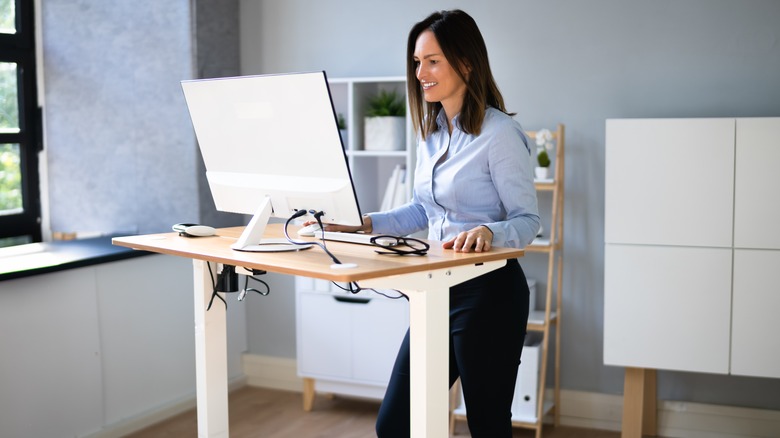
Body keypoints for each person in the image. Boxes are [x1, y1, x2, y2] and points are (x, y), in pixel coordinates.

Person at [317, 9, 540, 437]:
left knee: (488, 425)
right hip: (436, 291)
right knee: (394, 425)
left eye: (433, 61)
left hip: (489, 294)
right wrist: (361, 224)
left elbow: (528, 220)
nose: (421, 72)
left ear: (467, 62)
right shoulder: (431, 132)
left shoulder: (500, 134)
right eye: (417, 62)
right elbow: (422, 210)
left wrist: (491, 231)